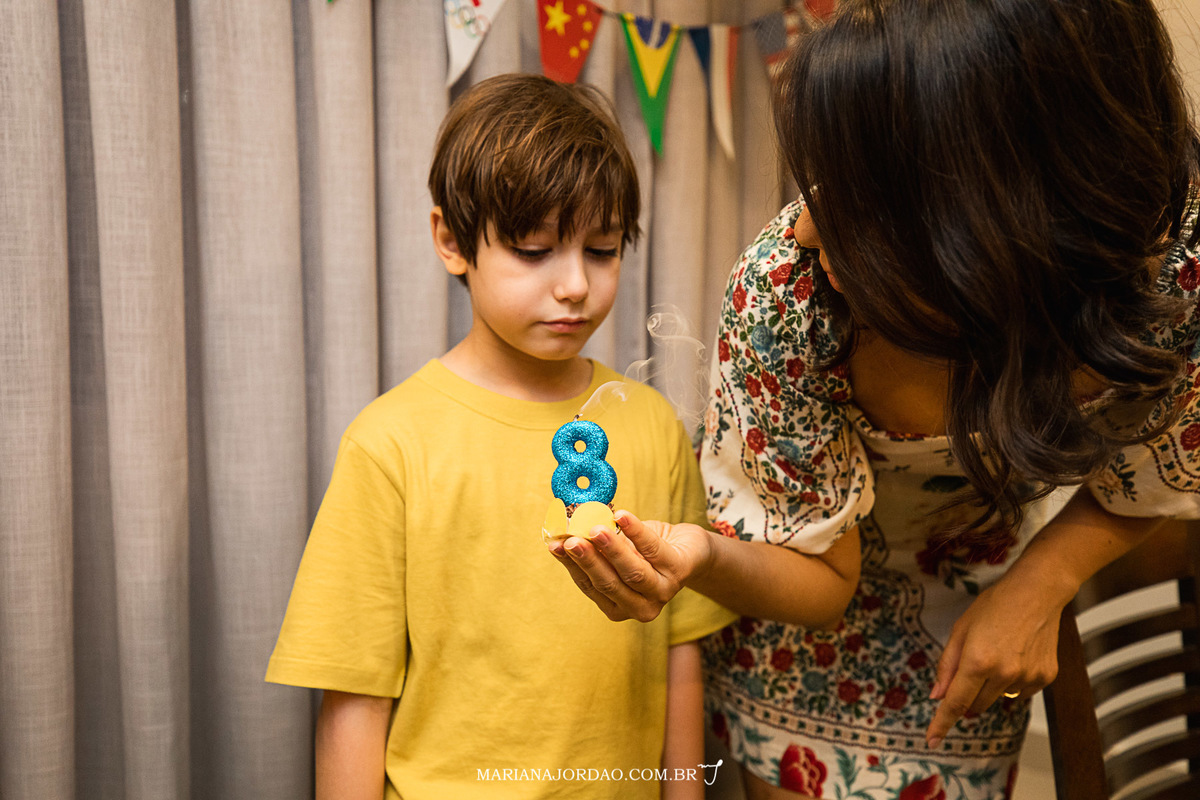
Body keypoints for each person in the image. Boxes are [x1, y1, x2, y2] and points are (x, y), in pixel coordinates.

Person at [548, 1, 1200, 797]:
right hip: (792, 625)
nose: (808, 230)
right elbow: (817, 579)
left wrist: (1043, 580)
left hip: (969, 611)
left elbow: (1163, 469)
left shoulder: (1175, 267)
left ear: (1012, 226)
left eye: (873, 195)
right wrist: (703, 554)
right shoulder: (785, 295)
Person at [265, 74, 737, 800]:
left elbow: (681, 656)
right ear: (452, 241)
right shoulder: (390, 444)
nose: (575, 284)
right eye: (533, 249)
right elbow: (355, 696)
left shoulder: (651, 425)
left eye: (602, 249)